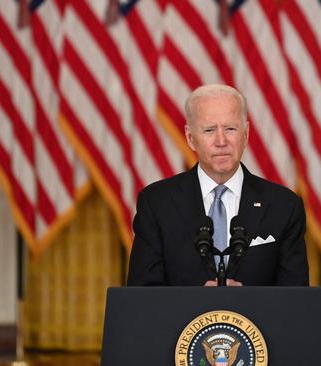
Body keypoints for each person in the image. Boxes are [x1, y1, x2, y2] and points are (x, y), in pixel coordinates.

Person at [127, 84, 308, 286]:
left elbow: (295, 301)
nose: (221, 141)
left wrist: (248, 303)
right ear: (190, 138)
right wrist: (198, 304)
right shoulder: (156, 204)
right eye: (209, 130)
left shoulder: (284, 206)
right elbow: (143, 296)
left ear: (246, 133)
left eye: (230, 128)